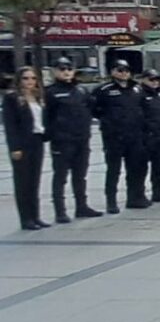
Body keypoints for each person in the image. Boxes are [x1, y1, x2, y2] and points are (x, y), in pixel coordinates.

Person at [44, 57, 102, 222]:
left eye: (69, 68)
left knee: (80, 175)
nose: (66, 72)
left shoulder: (81, 90)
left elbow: (90, 109)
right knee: (60, 176)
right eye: (62, 69)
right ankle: (60, 211)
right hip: (62, 141)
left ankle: (81, 206)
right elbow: (46, 117)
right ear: (54, 71)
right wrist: (53, 134)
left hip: (81, 139)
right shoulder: (51, 92)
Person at [93, 60, 148, 213]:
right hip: (114, 137)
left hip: (134, 135)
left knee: (135, 169)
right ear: (112, 71)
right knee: (113, 170)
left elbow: (143, 108)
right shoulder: (104, 90)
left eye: (127, 70)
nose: (124, 73)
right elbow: (95, 109)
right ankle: (111, 201)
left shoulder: (136, 89)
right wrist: (108, 123)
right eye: (120, 69)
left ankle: (134, 197)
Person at [4, 67, 50, 230]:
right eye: (25, 78)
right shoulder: (12, 98)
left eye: (32, 78)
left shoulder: (37, 97)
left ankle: (35, 216)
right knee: (23, 182)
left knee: (34, 181)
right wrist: (15, 147)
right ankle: (26, 218)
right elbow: (10, 125)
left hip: (37, 140)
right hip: (22, 143)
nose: (30, 81)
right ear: (19, 80)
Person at [139, 70, 160, 203]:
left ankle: (157, 191)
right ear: (143, 79)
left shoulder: (158, 94)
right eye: (151, 79)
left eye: (156, 79)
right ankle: (138, 194)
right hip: (146, 136)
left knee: (159, 165)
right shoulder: (139, 94)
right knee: (140, 167)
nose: (154, 82)